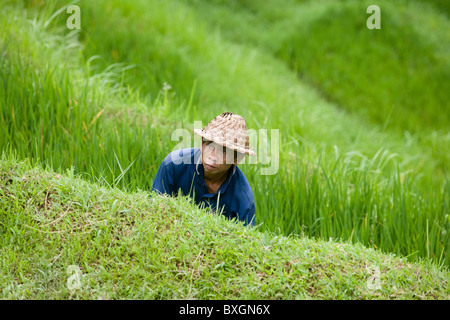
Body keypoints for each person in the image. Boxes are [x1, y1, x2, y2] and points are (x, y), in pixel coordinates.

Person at [151, 112, 256, 226]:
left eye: (223, 151)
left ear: (237, 158)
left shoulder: (244, 200)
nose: (212, 156)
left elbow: (243, 239)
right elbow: (155, 211)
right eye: (210, 145)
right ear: (202, 144)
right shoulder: (173, 165)